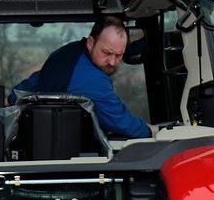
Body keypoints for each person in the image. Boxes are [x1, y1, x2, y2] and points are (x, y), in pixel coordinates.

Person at [14, 17, 151, 140]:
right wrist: (150, 131)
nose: (112, 62)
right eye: (107, 53)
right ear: (91, 43)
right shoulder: (93, 79)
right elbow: (120, 121)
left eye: (119, 55)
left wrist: (13, 97)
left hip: (38, 140)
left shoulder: (67, 53)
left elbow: (41, 77)